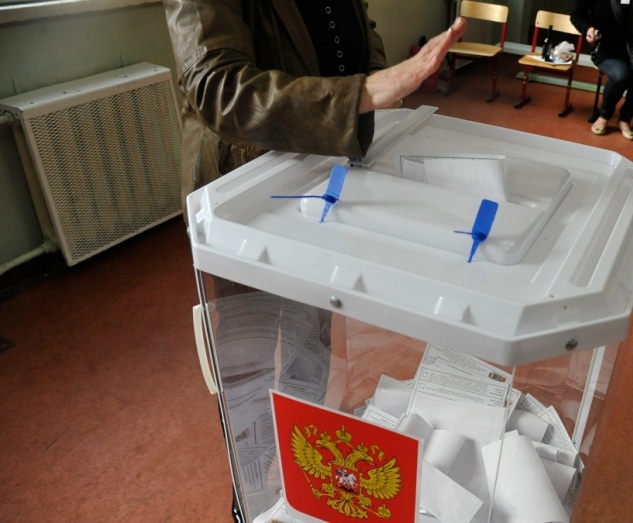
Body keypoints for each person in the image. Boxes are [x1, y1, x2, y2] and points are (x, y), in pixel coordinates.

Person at [161, 2, 466, 518]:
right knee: (251, 357)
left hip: (324, 166)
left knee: (312, 334)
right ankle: (253, 497)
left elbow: (355, 24)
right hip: (247, 189)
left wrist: (377, 83)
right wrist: (362, 94)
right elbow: (216, 85)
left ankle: (304, 476)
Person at [163, 0, 466, 204]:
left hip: (333, 155)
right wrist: (362, 93)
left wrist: (376, 72)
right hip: (250, 174)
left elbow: (361, 22)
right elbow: (218, 88)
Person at [571, 0, 633, 141]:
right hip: (606, 47)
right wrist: (588, 29)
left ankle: (625, 118)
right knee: (621, 76)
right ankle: (604, 115)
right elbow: (576, 15)